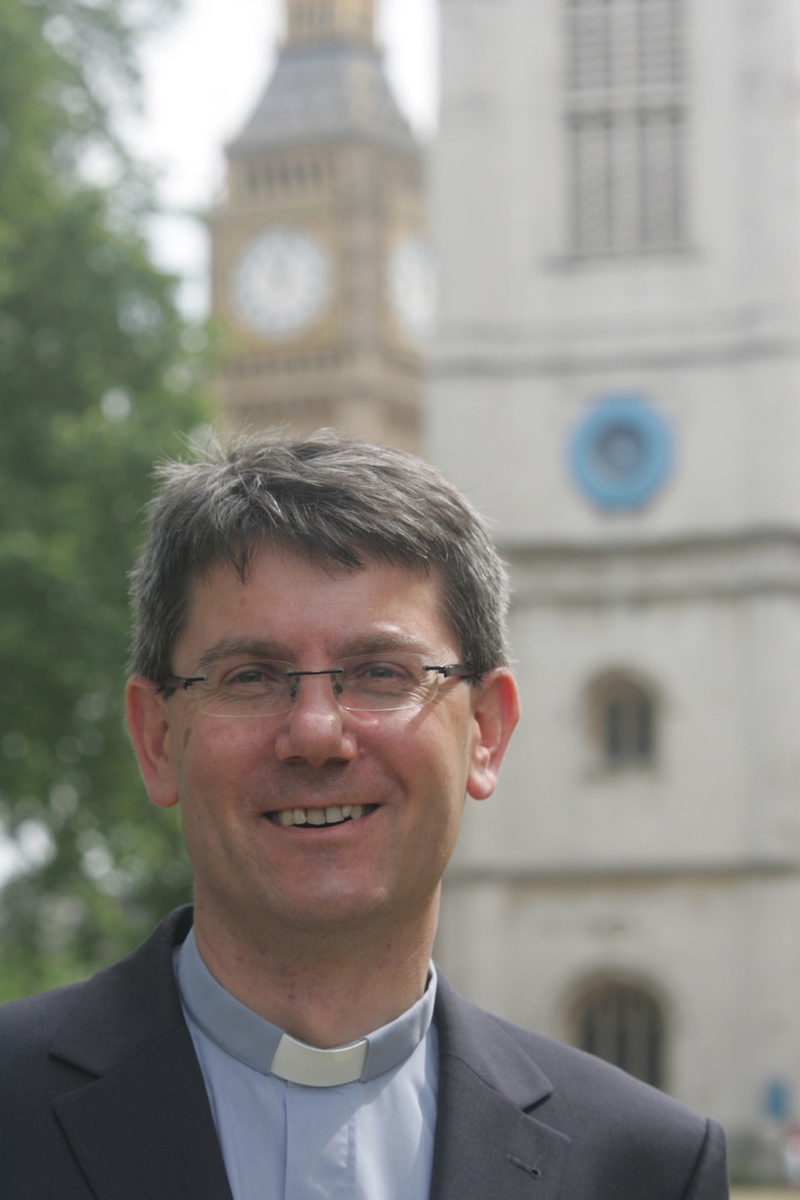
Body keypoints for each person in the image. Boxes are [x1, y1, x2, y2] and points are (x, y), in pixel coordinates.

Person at [0, 430, 727, 1199]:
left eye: (381, 673)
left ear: (486, 732)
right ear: (156, 739)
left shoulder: (648, 1170)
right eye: (250, 676)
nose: (317, 733)